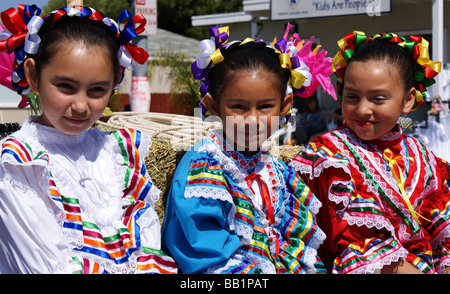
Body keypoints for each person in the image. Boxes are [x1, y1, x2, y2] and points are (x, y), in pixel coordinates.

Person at [0, 5, 177, 274]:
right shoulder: (19, 163)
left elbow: (147, 241)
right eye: (66, 87)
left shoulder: (118, 153)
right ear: (33, 75)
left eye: (97, 90)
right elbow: (43, 264)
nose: (81, 106)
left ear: (116, 80)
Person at [161, 25, 335, 274]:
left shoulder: (276, 170)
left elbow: (294, 241)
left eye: (265, 106)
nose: (253, 120)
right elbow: (206, 254)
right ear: (213, 105)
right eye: (239, 106)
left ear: (284, 106)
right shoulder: (205, 166)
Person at [290, 31, 450, 274]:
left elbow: (442, 224)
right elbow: (359, 246)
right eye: (352, 96)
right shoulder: (329, 156)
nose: (363, 109)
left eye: (378, 99)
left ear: (407, 101)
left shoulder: (420, 156)